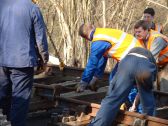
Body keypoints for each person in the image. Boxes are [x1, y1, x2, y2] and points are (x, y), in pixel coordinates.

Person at [76, 24, 157, 126]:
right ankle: (142, 116)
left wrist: (84, 81)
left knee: (113, 98)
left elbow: (92, 62)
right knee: (148, 99)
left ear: (86, 37)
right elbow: (102, 58)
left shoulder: (97, 40)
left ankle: (101, 122)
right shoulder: (105, 33)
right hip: (147, 62)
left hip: (128, 60)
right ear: (92, 27)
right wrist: (96, 77)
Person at [0, 0, 49, 126]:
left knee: (3, 95)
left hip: (2, 60)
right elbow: (40, 38)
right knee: (20, 100)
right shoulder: (32, 8)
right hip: (22, 61)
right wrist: (44, 60)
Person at [129, 20, 168, 112]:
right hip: (158, 62)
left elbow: (149, 59)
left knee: (164, 84)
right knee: (152, 83)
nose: (137, 34)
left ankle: (163, 108)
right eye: (136, 32)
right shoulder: (139, 39)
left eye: (139, 32)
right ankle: (154, 104)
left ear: (147, 30)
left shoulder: (157, 39)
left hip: (166, 63)